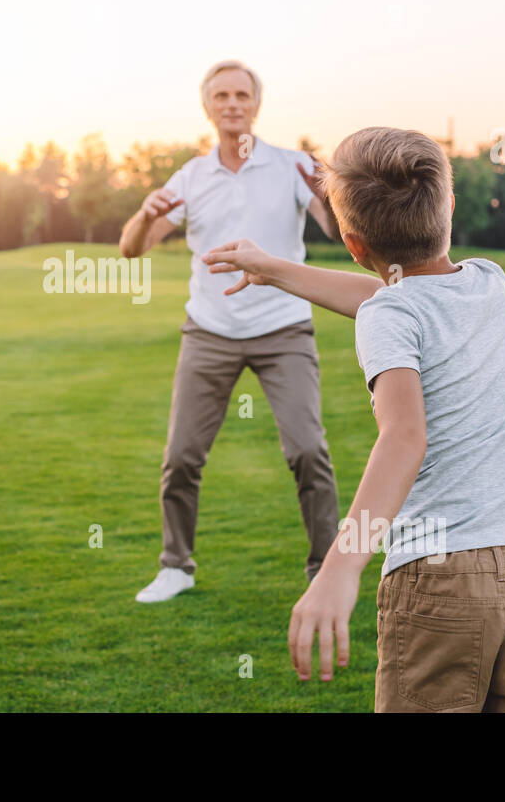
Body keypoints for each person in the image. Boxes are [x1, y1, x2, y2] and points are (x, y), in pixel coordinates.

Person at [202, 126, 505, 711]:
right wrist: (274, 269)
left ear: (352, 244)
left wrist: (340, 567)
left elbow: (405, 436)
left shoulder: (390, 313)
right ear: (448, 206)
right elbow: (387, 300)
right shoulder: (490, 284)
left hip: (441, 578)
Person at [119, 60, 342, 603]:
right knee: (181, 458)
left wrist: (332, 193)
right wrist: (145, 216)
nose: (233, 103)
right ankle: (177, 566)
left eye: (242, 94)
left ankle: (326, 571)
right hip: (209, 332)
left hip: (283, 328)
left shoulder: (292, 166)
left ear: (256, 104)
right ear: (208, 106)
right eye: (222, 95)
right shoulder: (190, 177)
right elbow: (131, 249)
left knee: (308, 451)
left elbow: (339, 231)